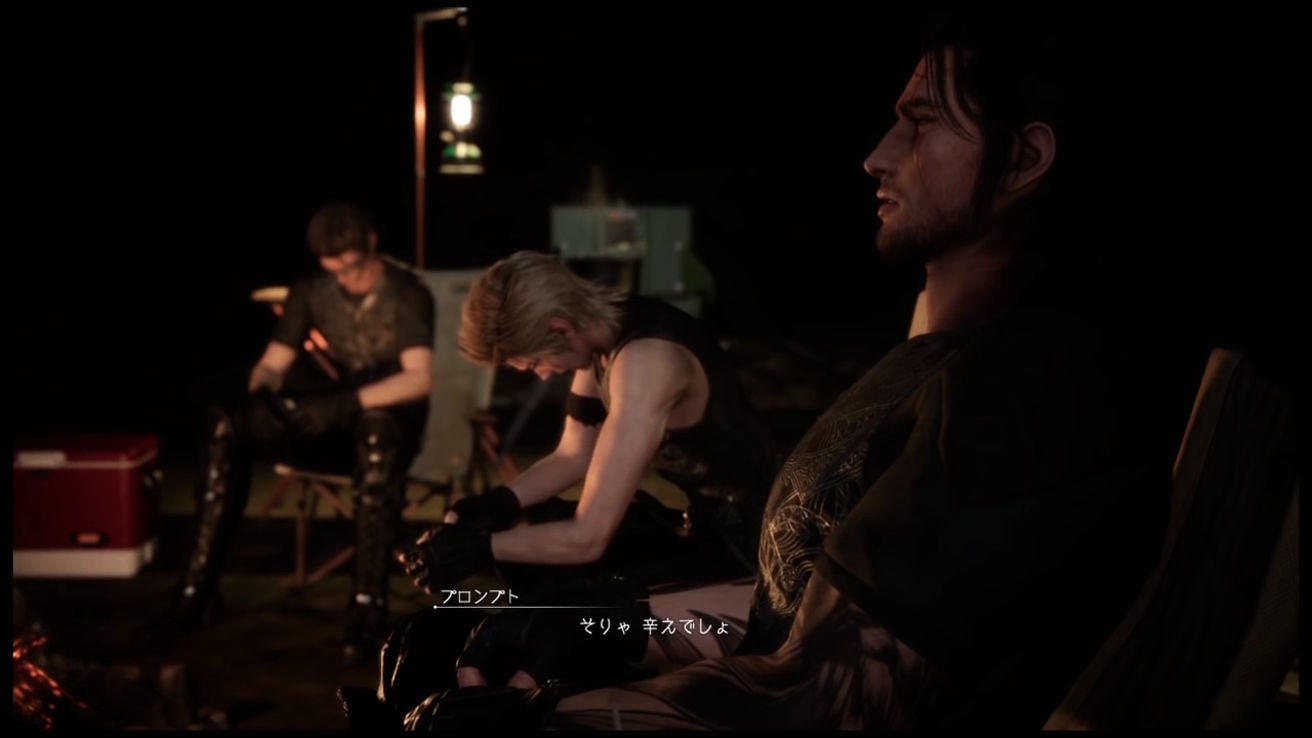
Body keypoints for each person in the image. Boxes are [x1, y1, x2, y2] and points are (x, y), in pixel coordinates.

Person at [400, 7, 1193, 730]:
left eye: (921, 123)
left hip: (728, 552)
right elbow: (779, 606)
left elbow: (815, 689)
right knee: (485, 633)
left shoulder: (1019, 396)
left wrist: (542, 711)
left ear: (1024, 157)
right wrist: (523, 547)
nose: (876, 157)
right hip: (737, 582)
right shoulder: (937, 362)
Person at [342, 251, 778, 721]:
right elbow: (574, 454)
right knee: (536, 540)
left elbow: (588, 536)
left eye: (532, 362)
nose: (539, 373)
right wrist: (494, 505)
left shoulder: (647, 361)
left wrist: (478, 548)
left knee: (573, 614)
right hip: (706, 529)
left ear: (559, 327)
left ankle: (547, 707)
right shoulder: (604, 339)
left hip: (758, 558)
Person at [144, 201, 436, 662]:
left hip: (388, 428)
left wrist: (345, 403)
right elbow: (274, 362)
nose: (346, 280)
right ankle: (196, 592)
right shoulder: (311, 291)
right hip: (331, 423)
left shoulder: (407, 292)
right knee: (225, 422)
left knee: (377, 433)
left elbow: (419, 378)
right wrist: (266, 392)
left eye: (354, 268)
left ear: (371, 245)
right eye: (335, 271)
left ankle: (367, 607)